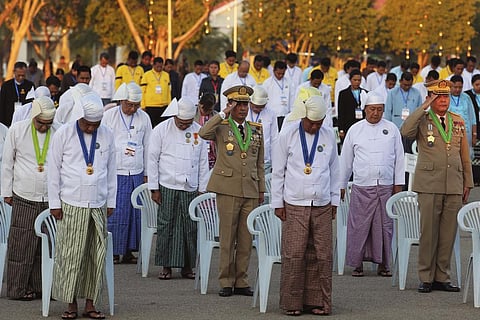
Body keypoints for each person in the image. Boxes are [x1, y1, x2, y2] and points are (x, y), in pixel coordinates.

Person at [400, 79, 473, 293]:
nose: (443, 100)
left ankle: (443, 276)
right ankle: (426, 276)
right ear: (430, 98)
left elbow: (464, 155)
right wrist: (424, 107)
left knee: (448, 233)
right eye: (438, 96)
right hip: (429, 184)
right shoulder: (423, 119)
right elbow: (405, 131)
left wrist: (467, 182)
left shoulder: (457, 121)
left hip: (453, 183)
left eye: (446, 96)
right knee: (429, 232)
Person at [48, 92, 116, 319]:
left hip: (98, 203)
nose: (91, 128)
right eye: (87, 124)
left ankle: (91, 303)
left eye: (95, 125)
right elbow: (53, 171)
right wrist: (54, 203)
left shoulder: (106, 134)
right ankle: (70, 304)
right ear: (80, 117)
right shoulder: (64, 134)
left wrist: (111, 201)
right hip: (70, 203)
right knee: (71, 255)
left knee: (95, 255)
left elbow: (111, 171)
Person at [271, 90, 340, 316]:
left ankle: (319, 302)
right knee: (294, 253)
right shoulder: (288, 135)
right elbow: (278, 172)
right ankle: (293, 303)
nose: (315, 128)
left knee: (321, 254)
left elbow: (335, 170)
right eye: (311, 123)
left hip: (321, 203)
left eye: (319, 123)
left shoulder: (329, 135)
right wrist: (277, 203)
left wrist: (334, 201)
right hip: (294, 202)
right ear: (303, 118)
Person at [198, 85, 265, 297]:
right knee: (227, 237)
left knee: (246, 239)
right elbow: (203, 132)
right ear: (231, 105)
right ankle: (226, 280)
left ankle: (241, 280)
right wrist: (222, 113)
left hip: (250, 189)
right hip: (227, 188)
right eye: (239, 104)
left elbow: (260, 163)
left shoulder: (256, 129)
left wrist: (261, 189)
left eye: (246, 104)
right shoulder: (222, 126)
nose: (243, 108)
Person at [340, 92, 405, 277]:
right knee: (359, 226)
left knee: (384, 226)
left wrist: (398, 185)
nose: (376, 113)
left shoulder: (392, 129)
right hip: (362, 186)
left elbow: (399, 159)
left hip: (385, 186)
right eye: (372, 109)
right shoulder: (355, 129)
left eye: (379, 110)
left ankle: (384, 264)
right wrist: (341, 184)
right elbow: (345, 160)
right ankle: (357, 263)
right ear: (365, 109)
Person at [148, 97, 209, 280]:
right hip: (167, 184)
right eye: (181, 123)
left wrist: (202, 189)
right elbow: (152, 159)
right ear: (175, 116)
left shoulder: (200, 132)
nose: (184, 126)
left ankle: (187, 267)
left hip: (190, 186)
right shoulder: (161, 130)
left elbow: (203, 162)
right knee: (167, 225)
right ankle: (166, 266)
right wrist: (154, 188)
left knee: (189, 226)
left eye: (187, 123)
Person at [1, 97, 56, 300]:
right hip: (23, 195)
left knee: (47, 245)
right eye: (40, 122)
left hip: (51, 198)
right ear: (33, 116)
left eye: (47, 124)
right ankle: (18, 290)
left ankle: (44, 287)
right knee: (22, 244)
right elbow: (7, 163)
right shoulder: (17, 130)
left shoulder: (59, 131)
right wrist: (6, 192)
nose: (43, 127)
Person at [102, 83, 152, 264]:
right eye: (129, 104)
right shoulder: (109, 116)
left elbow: (149, 146)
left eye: (136, 105)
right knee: (117, 212)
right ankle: (114, 251)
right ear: (122, 100)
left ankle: (130, 251)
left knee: (134, 214)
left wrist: (147, 173)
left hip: (136, 171)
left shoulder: (144, 118)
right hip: (116, 171)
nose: (133, 108)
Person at [247, 85, 278, 173]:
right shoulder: (244, 112)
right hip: (247, 159)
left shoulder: (271, 114)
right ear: (250, 102)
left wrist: (275, 162)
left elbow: (274, 139)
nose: (259, 109)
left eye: (262, 106)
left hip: (265, 160)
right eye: (256, 106)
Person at [0, 61, 35, 126]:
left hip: (24, 121)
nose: (21, 77)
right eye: (19, 75)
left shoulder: (30, 85)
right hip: (8, 121)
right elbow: (2, 104)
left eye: (23, 75)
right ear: (14, 72)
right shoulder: (6, 86)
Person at [449, 75, 476, 157]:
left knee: (466, 159)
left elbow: (473, 117)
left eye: (460, 87)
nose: (458, 90)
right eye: (455, 87)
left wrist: (474, 134)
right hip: (451, 134)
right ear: (450, 86)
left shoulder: (466, 97)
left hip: (466, 134)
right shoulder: (445, 98)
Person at [337, 69, 368, 140]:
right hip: (348, 124)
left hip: (362, 124)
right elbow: (341, 112)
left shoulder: (365, 93)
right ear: (350, 80)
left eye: (359, 80)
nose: (357, 82)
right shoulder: (343, 94)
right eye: (355, 80)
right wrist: (341, 129)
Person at [140, 57, 171, 127]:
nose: (159, 68)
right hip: (151, 106)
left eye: (161, 66)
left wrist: (169, 104)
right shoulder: (146, 75)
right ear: (153, 65)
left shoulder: (166, 75)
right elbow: (142, 91)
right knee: (151, 126)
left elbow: (169, 91)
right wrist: (143, 105)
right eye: (157, 66)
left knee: (163, 126)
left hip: (164, 106)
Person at [262, 61, 292, 129]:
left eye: (283, 74)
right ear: (274, 70)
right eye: (278, 73)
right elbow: (264, 99)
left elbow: (292, 98)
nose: (280, 75)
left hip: (285, 114)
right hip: (272, 115)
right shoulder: (267, 83)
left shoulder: (288, 82)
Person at [194, 93, 218, 169]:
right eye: (205, 109)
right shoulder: (192, 114)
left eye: (210, 110)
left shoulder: (216, 116)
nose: (207, 112)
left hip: (211, 154)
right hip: (195, 149)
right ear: (200, 104)